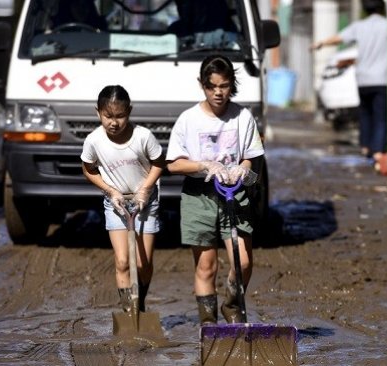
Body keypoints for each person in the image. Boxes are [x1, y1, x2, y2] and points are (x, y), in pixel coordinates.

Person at [165, 54, 265, 325]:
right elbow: (173, 165)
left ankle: (232, 307)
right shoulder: (189, 119)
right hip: (200, 195)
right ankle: (208, 324)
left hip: (235, 192)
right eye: (212, 86)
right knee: (207, 265)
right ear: (202, 85)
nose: (219, 93)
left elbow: (250, 156)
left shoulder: (242, 116)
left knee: (242, 262)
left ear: (231, 84)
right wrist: (203, 164)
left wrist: (243, 169)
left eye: (224, 86)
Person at [80, 85, 164, 313]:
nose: (114, 122)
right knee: (122, 261)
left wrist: (145, 188)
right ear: (98, 112)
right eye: (108, 116)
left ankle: (141, 301)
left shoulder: (143, 137)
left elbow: (159, 163)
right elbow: (88, 169)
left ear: (130, 111)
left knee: (142, 263)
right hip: (116, 204)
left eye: (120, 116)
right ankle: (129, 311)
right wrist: (110, 190)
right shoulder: (94, 141)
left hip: (146, 202)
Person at [311, 0, 387, 162]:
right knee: (381, 117)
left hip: (362, 79)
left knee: (366, 114)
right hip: (382, 78)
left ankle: (366, 146)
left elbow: (339, 38)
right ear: (382, 8)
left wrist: (321, 43)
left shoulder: (359, 26)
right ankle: (377, 151)